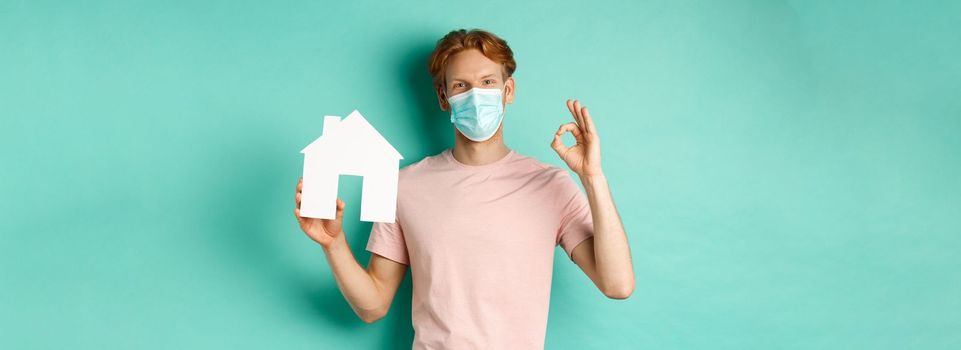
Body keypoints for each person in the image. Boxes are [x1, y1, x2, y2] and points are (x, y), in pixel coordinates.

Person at [294, 28, 634, 349]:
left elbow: (617, 284)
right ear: (443, 97)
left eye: (487, 82)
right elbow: (373, 306)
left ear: (508, 91)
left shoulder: (550, 186)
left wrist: (593, 178)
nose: (476, 95)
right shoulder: (405, 186)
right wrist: (333, 243)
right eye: (461, 85)